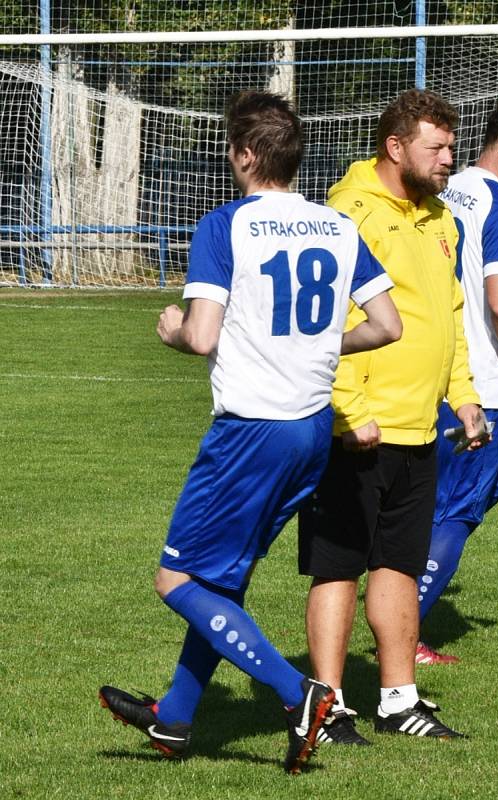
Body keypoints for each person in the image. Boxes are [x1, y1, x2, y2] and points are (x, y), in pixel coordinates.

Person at [97, 90, 402, 774]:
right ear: (295, 157)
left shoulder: (224, 225)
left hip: (249, 432)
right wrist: (317, 346)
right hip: (308, 431)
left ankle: (300, 695)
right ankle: (174, 718)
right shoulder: (335, 227)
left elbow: (202, 336)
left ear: (242, 155)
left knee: (176, 579)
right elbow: (387, 325)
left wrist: (173, 330)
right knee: (222, 580)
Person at [298, 89, 488, 746]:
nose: (447, 160)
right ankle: (326, 707)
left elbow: (451, 316)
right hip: (356, 431)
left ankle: (399, 700)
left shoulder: (439, 218)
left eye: (451, 148)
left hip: (419, 426)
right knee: (337, 567)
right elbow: (330, 323)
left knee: (399, 565)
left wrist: (461, 395)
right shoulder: (346, 215)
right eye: (436, 148)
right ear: (395, 146)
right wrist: (348, 412)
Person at [416, 97, 498, 664]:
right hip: (477, 384)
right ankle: (404, 633)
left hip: (425, 374)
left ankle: (396, 605)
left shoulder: (438, 190)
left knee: (465, 494)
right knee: (461, 507)